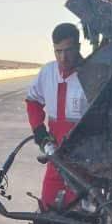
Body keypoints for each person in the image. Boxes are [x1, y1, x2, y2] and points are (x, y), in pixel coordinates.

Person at [25, 22, 87, 210]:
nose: (63, 57)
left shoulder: (91, 75)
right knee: (47, 207)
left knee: (79, 215)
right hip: (55, 155)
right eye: (58, 51)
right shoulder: (47, 72)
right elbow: (33, 101)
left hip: (83, 160)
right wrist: (40, 133)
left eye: (68, 50)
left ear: (78, 47)